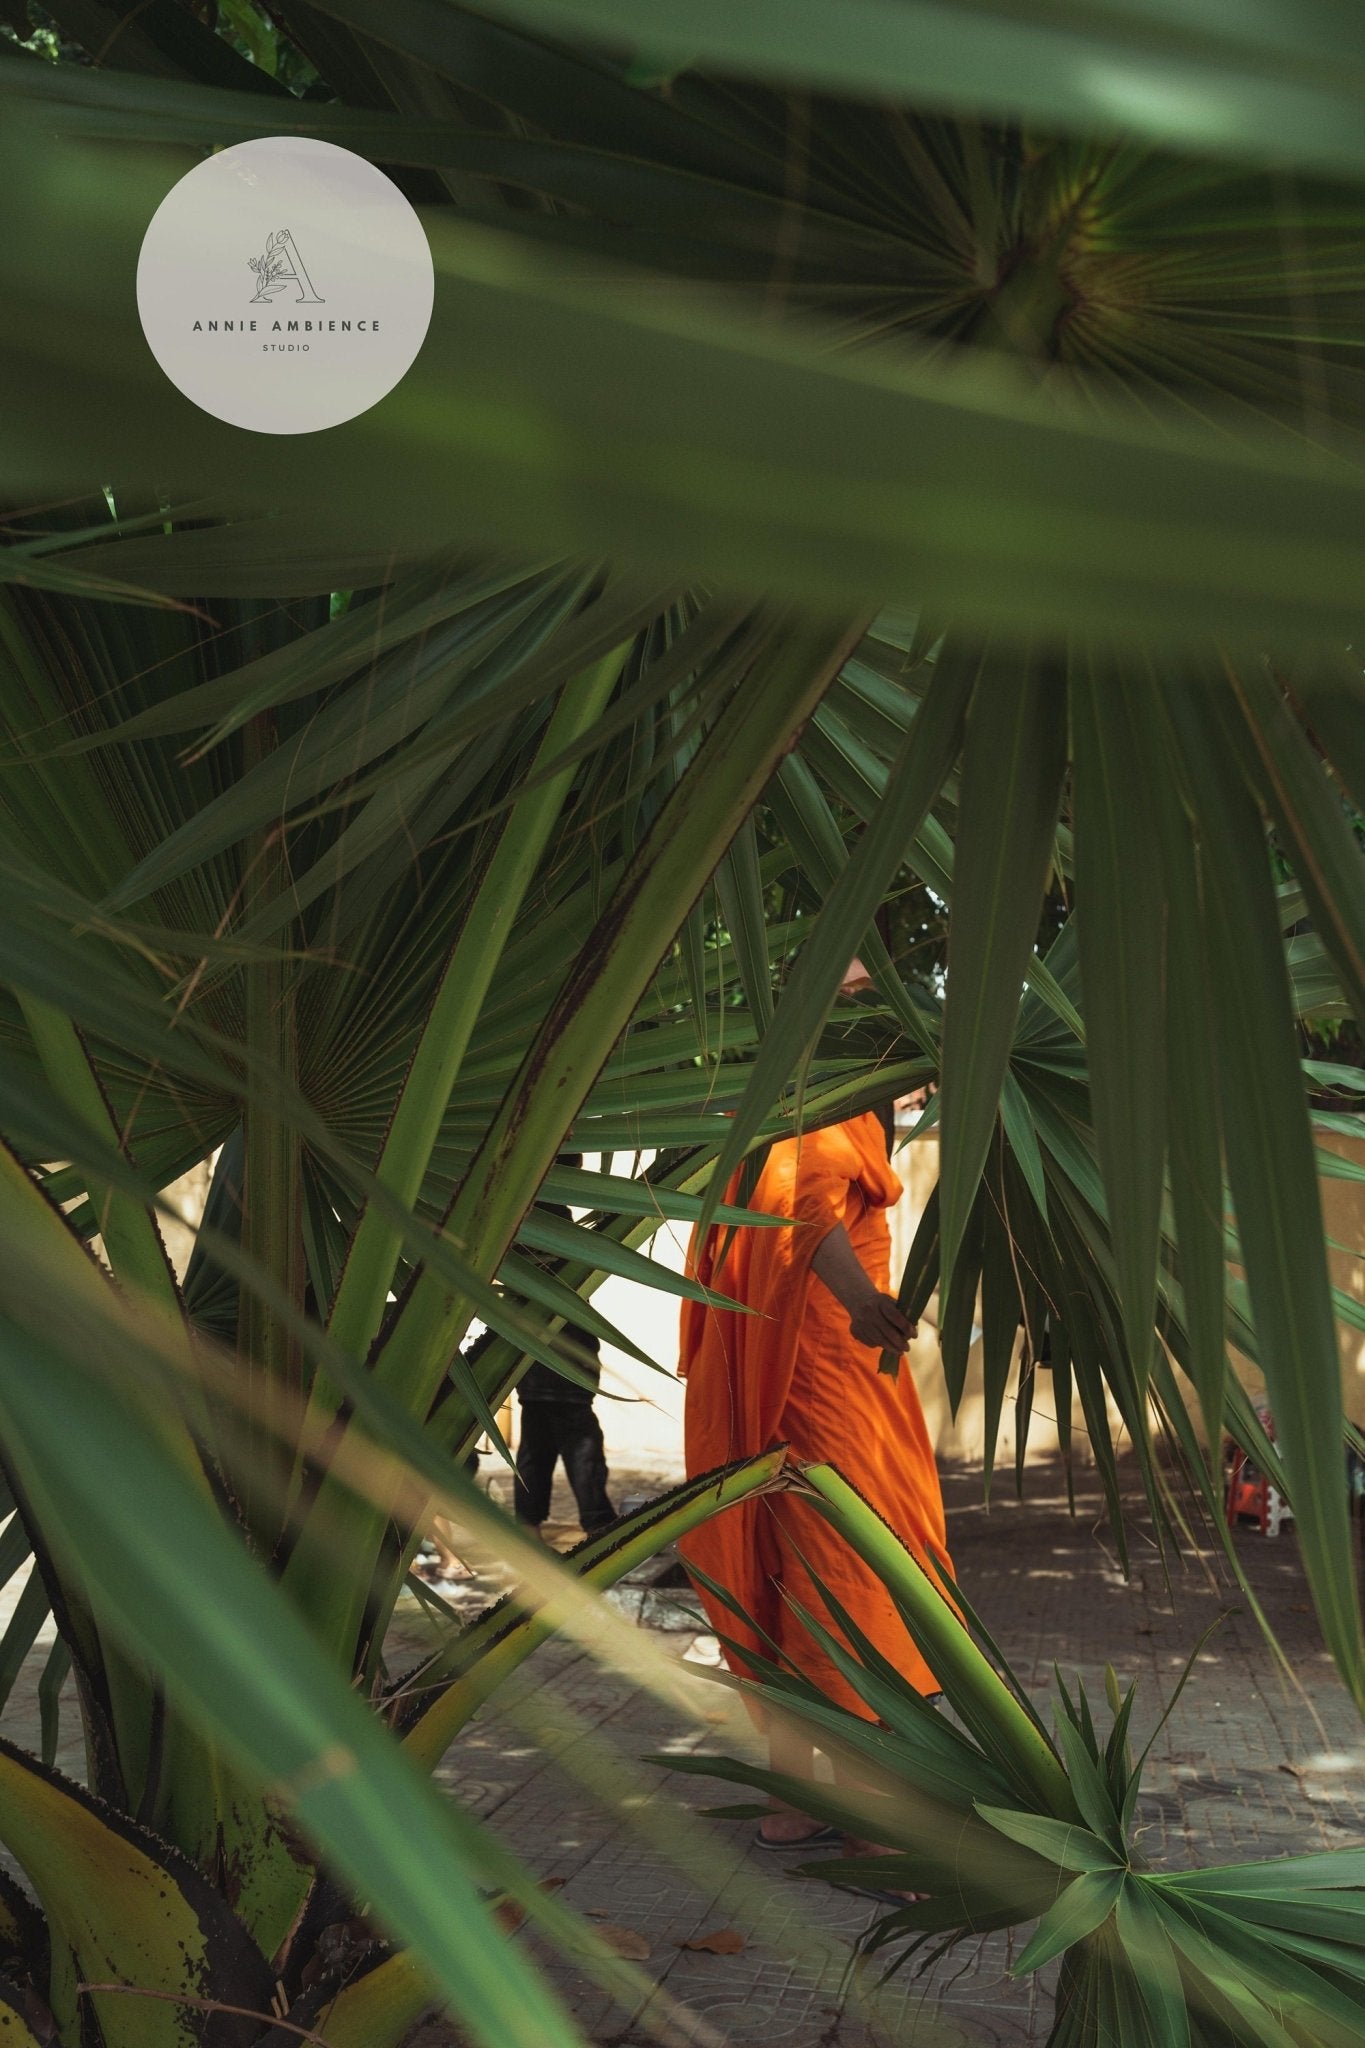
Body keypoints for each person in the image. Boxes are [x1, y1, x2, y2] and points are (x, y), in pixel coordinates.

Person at [678, 1028, 951, 1856]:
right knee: (848, 1558)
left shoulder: (789, 1097)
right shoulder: (820, 1104)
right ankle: (869, 1814)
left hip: (814, 1357)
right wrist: (862, 1300)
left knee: (794, 1548)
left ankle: (800, 1793)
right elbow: (803, 1205)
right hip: (823, 1357)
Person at [513, 1338, 615, 1538]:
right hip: (568, 1379)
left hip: (535, 1378)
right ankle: (599, 1531)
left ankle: (528, 1533)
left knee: (534, 1458)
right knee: (585, 1460)